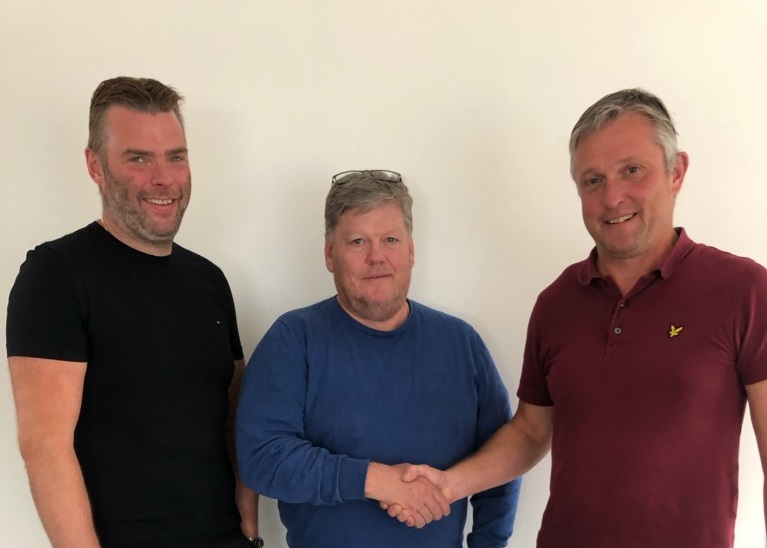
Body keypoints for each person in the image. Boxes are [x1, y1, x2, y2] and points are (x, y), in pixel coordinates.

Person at [392, 88, 767, 548]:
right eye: (593, 180)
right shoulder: (556, 303)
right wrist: (448, 486)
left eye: (632, 170)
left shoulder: (743, 290)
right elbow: (531, 431)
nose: (613, 197)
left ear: (676, 172)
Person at [6, 77, 261, 548]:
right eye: (139, 158)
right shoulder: (55, 276)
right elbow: (44, 448)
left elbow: (234, 419)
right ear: (95, 166)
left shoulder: (209, 280)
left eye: (175, 157)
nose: (163, 178)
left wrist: (249, 528)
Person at [235, 170, 521, 548]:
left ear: (411, 250)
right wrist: (376, 481)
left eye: (390, 240)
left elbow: (501, 460)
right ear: (329, 254)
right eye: (357, 241)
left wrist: (489, 544)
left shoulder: (462, 344)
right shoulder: (293, 340)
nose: (376, 257)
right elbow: (261, 457)